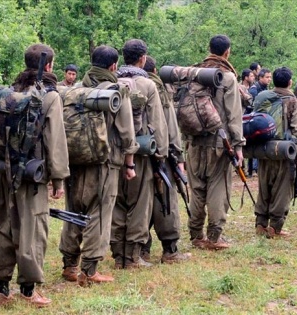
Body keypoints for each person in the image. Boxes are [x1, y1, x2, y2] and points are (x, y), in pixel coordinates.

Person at [0, 43, 70, 307]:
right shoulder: (49, 96)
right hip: (32, 177)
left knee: (0, 226)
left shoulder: (2, 94)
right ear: (47, 66)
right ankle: (28, 291)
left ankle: (1, 289)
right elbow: (55, 140)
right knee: (32, 230)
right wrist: (58, 180)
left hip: (1, 172)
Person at [59, 45, 138, 286]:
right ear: (113, 66)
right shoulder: (117, 91)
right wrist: (129, 163)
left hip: (75, 160)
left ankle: (70, 265)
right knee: (99, 213)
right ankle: (90, 270)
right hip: (105, 162)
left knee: (74, 210)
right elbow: (126, 133)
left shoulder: (76, 90)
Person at [111, 39, 169, 268]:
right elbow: (158, 124)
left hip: (114, 153)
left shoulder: (110, 81)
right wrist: (161, 156)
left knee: (117, 203)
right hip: (142, 154)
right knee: (139, 205)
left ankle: (118, 256)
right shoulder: (147, 85)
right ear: (143, 58)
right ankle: (133, 255)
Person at [187, 35, 244, 250]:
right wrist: (238, 146)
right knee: (218, 187)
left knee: (197, 188)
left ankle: (195, 235)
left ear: (208, 48)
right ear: (227, 52)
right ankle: (214, 236)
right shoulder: (227, 77)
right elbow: (234, 115)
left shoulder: (194, 73)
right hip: (220, 144)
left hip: (193, 141)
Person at [140, 56, 191, 263]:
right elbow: (169, 124)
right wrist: (178, 155)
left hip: (135, 154)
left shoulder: (123, 83)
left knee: (139, 203)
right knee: (165, 202)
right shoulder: (157, 88)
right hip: (161, 153)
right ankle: (170, 250)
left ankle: (142, 248)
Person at [253, 67, 297, 237]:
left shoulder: (263, 97)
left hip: (263, 148)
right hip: (283, 150)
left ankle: (260, 224)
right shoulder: (292, 101)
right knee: (282, 189)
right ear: (290, 82)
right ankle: (275, 227)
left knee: (264, 186)